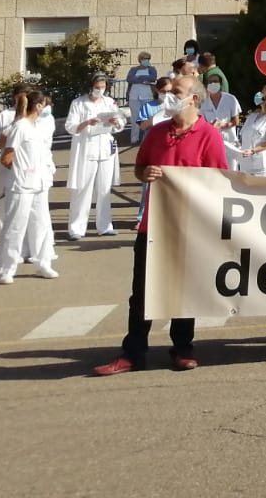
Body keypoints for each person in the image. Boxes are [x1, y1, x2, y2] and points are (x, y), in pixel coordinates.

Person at [93, 78, 228, 374]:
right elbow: (140, 167)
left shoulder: (208, 136)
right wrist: (147, 173)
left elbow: (220, 182)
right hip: (153, 225)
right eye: (164, 92)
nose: (166, 96)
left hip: (190, 227)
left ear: (193, 99)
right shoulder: (156, 132)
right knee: (141, 292)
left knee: (183, 290)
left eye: (174, 92)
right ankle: (133, 353)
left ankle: (182, 348)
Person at [0, 89, 59, 284]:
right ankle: (6, 269)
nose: (47, 108)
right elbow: (7, 157)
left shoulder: (38, 127)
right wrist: (22, 171)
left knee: (41, 225)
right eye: (45, 104)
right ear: (38, 106)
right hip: (21, 185)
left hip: (40, 184)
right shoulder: (20, 126)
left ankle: (43, 263)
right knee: (14, 227)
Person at [66, 74, 125, 239]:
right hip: (86, 149)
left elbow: (120, 123)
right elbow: (70, 126)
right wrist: (87, 123)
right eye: (97, 87)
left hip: (105, 149)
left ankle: (105, 226)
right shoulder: (79, 103)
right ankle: (76, 228)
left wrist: (116, 122)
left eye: (103, 87)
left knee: (104, 189)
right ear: (90, 86)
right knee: (82, 190)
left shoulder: (109, 102)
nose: (100, 90)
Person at [0, 90, 22, 208]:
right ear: (16, 97)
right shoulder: (5, 115)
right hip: (8, 164)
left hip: (29, 167)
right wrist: (6, 140)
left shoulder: (37, 116)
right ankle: (4, 226)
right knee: (6, 201)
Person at [199, 76, 241, 150]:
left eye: (215, 81)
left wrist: (223, 125)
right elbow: (202, 123)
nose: (213, 84)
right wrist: (211, 126)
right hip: (211, 142)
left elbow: (236, 121)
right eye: (210, 82)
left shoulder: (231, 99)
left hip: (229, 142)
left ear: (220, 84)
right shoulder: (203, 102)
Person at [125, 52, 159, 144]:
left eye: (148, 59)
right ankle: (134, 138)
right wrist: (143, 79)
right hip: (134, 96)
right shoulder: (133, 69)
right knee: (135, 118)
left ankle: (147, 138)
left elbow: (153, 78)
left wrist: (139, 78)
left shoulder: (152, 69)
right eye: (144, 58)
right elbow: (130, 79)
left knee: (148, 117)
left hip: (147, 95)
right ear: (140, 60)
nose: (146, 60)